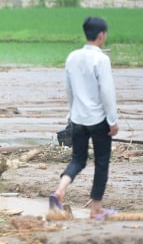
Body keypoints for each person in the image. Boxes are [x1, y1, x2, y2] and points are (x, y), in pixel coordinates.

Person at [49, 16, 119, 220]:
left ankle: (59, 191)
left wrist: (71, 114)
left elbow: (68, 89)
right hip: (98, 120)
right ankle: (96, 208)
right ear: (101, 35)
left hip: (78, 119)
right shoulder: (101, 59)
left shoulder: (72, 57)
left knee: (78, 159)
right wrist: (112, 121)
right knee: (102, 162)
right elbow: (107, 92)